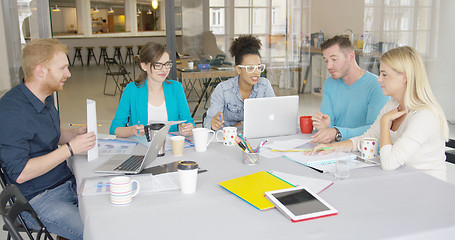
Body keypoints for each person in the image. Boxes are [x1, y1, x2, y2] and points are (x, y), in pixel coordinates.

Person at [0, 39, 96, 239]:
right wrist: (69, 149)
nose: (68, 74)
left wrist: (74, 134)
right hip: (39, 199)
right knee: (99, 232)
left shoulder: (45, 96)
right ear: (40, 71)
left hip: (65, 183)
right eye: (62, 68)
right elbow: (20, 173)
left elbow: (48, 134)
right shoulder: (11, 112)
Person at [311, 46, 449, 180]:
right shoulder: (393, 104)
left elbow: (389, 163)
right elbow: (367, 138)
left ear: (404, 78)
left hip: (426, 187)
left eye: (384, 74)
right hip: (401, 180)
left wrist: (384, 123)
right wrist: (332, 147)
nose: (379, 79)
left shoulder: (424, 116)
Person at [311, 35, 389, 143]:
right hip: (335, 150)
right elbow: (329, 127)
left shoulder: (377, 86)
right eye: (326, 60)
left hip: (363, 151)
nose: (329, 66)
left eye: (334, 59)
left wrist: (337, 132)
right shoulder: (330, 83)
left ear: (351, 57)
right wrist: (324, 126)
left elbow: (375, 129)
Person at [110, 42, 195, 137]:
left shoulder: (176, 88)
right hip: (140, 148)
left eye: (167, 64)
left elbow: (189, 122)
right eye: (158, 65)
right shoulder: (132, 89)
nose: (164, 70)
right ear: (143, 66)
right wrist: (132, 130)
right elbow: (115, 128)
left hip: (169, 147)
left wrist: (189, 128)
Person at [204, 35, 275, 130]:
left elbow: (273, 116)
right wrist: (213, 123)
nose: (256, 72)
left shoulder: (264, 85)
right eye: (250, 68)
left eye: (258, 67)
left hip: (257, 137)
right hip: (227, 140)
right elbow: (208, 122)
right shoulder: (223, 89)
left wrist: (239, 124)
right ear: (238, 69)